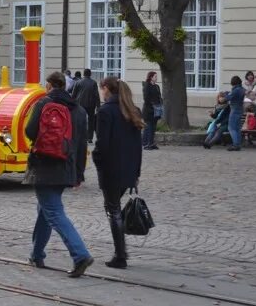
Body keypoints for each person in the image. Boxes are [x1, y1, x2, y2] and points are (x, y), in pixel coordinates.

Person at [24, 71, 94, 278]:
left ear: (49, 85)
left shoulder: (44, 104)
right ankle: (36, 254)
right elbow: (82, 144)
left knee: (53, 211)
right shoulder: (79, 110)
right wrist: (79, 174)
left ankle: (80, 254)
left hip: (45, 165)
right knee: (45, 210)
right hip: (67, 167)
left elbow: (29, 131)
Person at [92, 77, 144, 269]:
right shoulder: (132, 111)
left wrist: (97, 160)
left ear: (106, 89)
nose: (101, 93)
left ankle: (120, 255)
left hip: (111, 168)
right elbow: (138, 147)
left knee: (113, 210)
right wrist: (136, 171)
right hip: (128, 169)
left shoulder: (106, 111)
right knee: (115, 209)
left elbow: (102, 144)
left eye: (102, 89)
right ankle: (120, 252)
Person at [71, 68, 100, 143]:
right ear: (90, 74)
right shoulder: (93, 83)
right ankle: (90, 138)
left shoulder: (78, 82)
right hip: (91, 104)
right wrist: (98, 106)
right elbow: (96, 95)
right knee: (91, 121)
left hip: (80, 104)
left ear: (83, 74)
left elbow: (73, 94)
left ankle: (79, 137)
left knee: (80, 120)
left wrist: (71, 104)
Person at [141, 71, 162, 150]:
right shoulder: (147, 86)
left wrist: (160, 105)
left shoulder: (157, 86)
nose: (156, 78)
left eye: (156, 76)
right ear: (151, 77)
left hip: (156, 110)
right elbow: (146, 99)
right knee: (149, 127)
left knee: (153, 127)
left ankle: (150, 143)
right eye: (155, 76)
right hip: (148, 110)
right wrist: (153, 105)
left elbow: (159, 97)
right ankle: (147, 144)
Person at [225, 76, 246, 152]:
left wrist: (226, 93)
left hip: (234, 109)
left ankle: (235, 144)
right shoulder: (242, 89)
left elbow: (228, 98)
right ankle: (238, 144)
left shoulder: (235, 90)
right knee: (237, 128)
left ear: (233, 82)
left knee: (231, 128)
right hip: (240, 109)